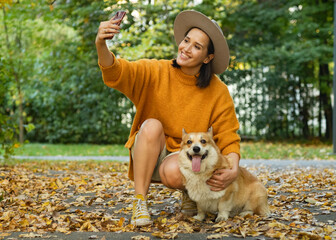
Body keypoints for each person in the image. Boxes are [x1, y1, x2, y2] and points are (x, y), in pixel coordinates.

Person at [95, 10, 240, 227]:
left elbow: (228, 135)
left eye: (197, 47)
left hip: (188, 159)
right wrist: (101, 44)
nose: (186, 49)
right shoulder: (156, 71)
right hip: (150, 151)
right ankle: (140, 202)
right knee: (151, 125)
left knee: (173, 172)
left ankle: (191, 193)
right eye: (186, 41)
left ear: (208, 57)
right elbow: (117, 72)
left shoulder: (218, 91)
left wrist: (234, 168)